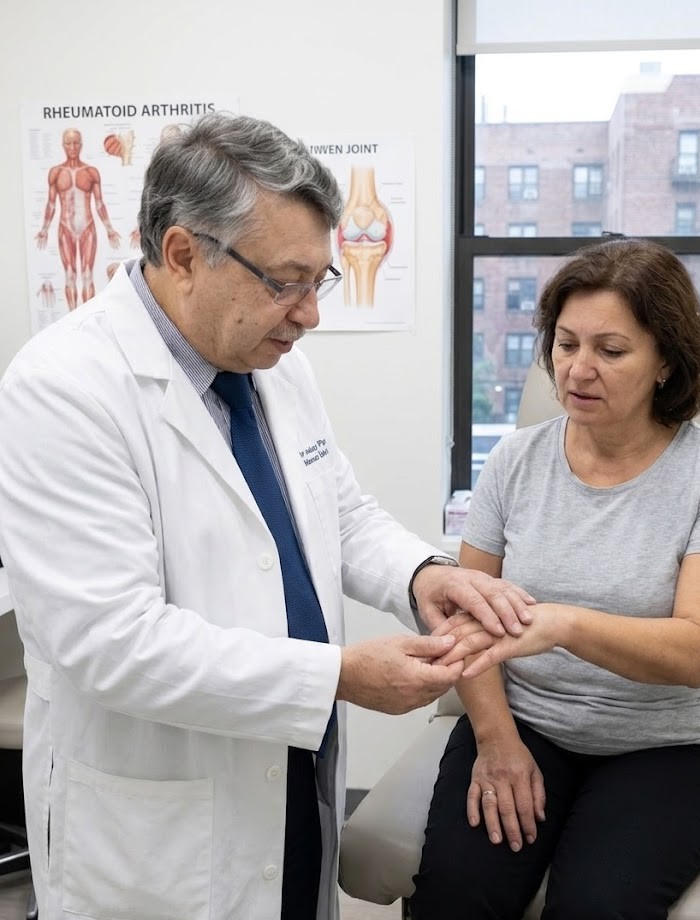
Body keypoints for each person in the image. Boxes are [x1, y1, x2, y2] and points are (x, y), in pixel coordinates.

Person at [0, 113, 536, 920]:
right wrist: (338, 677)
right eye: (284, 281)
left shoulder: (271, 362)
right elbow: (110, 643)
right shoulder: (65, 388)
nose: (309, 313)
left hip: (288, 761)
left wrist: (424, 577)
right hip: (161, 810)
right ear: (182, 254)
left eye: (316, 280)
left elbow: (340, 510)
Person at [411, 238, 700, 920]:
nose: (576, 369)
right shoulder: (516, 459)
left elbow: (694, 653)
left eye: (610, 349)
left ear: (664, 360)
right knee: (457, 895)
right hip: (526, 723)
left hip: (670, 749)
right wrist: (495, 739)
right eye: (565, 344)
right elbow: (461, 617)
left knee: (597, 905)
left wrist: (562, 623)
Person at [35, 128, 121, 310]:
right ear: (63, 145)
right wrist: (44, 229)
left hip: (87, 227)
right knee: (70, 275)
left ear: (81, 145)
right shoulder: (56, 172)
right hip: (65, 227)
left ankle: (86, 318)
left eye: (76, 143)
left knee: (88, 274)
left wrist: (109, 229)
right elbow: (51, 204)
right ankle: (72, 320)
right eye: (68, 143)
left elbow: (99, 204)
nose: (72, 147)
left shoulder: (91, 172)